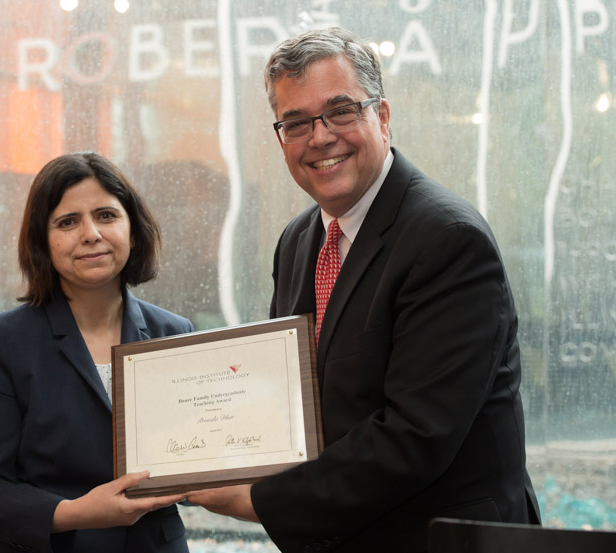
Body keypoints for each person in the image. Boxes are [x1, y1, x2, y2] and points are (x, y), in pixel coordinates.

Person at [186, 27, 540, 552]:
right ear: (281, 138)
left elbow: (416, 435)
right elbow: (291, 393)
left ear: (383, 116)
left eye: (341, 111)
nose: (320, 137)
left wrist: (260, 499)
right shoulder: (298, 240)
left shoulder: (447, 239)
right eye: (297, 123)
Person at [0, 152, 193, 553]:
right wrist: (77, 512)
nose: (91, 234)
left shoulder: (174, 333)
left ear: (132, 229)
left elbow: (193, 458)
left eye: (106, 215)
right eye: (67, 222)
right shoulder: (4, 340)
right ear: (42, 242)